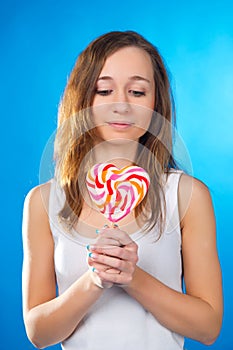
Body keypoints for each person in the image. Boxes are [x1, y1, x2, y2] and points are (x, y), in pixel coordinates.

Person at [22, 31, 223, 350]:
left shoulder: (187, 195)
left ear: (156, 102)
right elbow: (38, 333)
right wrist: (95, 280)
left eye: (138, 91)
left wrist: (133, 277)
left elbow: (209, 327)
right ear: (83, 97)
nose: (121, 105)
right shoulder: (43, 202)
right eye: (104, 90)